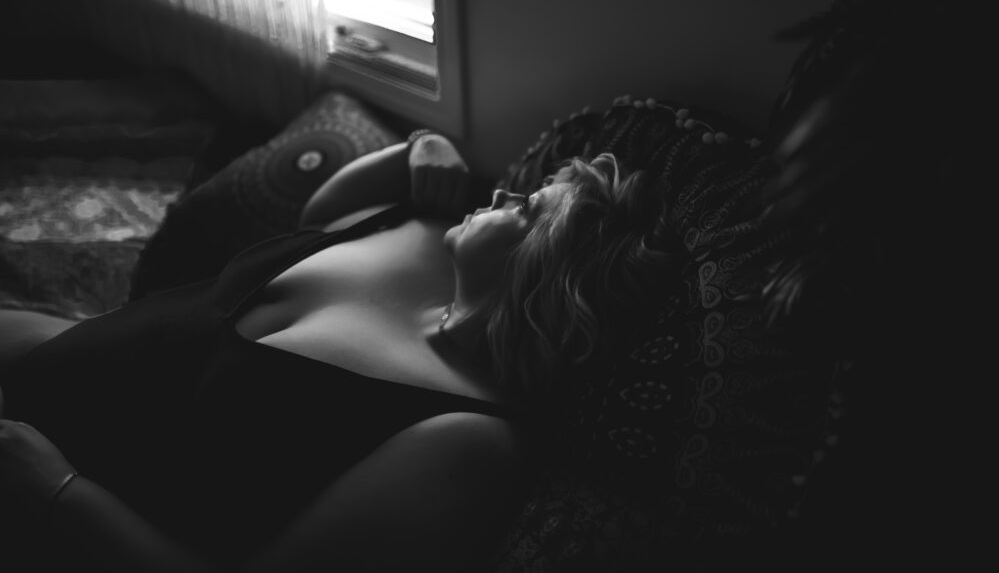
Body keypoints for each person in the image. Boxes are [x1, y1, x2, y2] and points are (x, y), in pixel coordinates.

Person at [0, 131, 673, 573]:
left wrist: (57, 492)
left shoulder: (467, 441)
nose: (502, 190)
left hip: (44, 500)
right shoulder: (429, 233)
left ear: (547, 269)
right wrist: (419, 146)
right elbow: (318, 216)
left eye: (527, 206)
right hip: (52, 346)